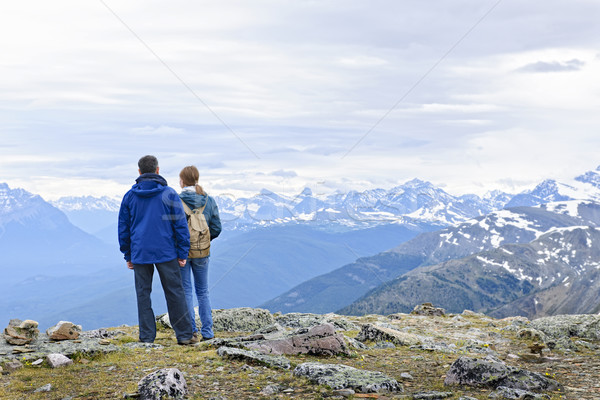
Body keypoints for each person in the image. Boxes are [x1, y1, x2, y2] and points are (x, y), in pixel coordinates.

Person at [118, 155, 197, 345]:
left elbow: (124, 228)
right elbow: (180, 225)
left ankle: (146, 338)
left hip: (140, 252)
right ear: (157, 170)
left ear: (139, 172)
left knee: (143, 295)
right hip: (166, 251)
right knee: (175, 292)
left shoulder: (129, 196)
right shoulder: (169, 194)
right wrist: (182, 252)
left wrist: (127, 253)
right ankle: (185, 335)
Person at [178, 165, 222, 340]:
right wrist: (203, 241)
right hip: (202, 252)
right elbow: (217, 228)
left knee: (186, 290)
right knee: (203, 292)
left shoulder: (176, 200)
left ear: (182, 181)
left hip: (182, 253)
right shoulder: (208, 200)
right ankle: (208, 332)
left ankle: (191, 332)